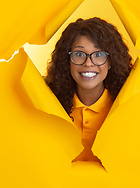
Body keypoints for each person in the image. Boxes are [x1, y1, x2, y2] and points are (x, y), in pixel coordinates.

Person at [45, 17, 133, 164]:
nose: (88, 63)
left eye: (98, 55)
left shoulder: (126, 107)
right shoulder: (48, 105)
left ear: (111, 61)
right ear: (68, 61)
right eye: (79, 54)